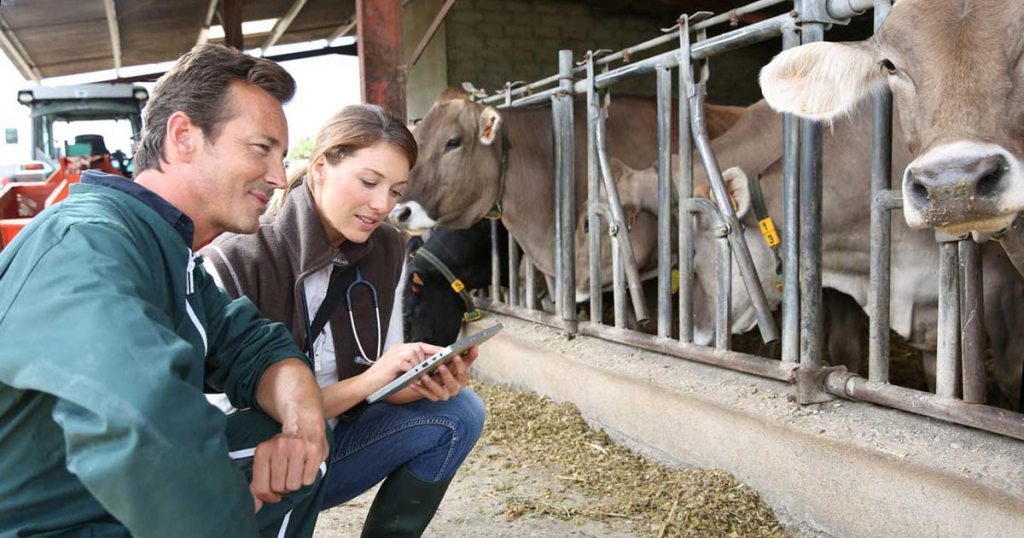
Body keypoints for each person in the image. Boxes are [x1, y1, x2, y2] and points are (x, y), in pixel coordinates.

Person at [0, 44, 329, 537]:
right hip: (49, 521)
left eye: (282, 157)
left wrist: (303, 428)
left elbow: (255, 346)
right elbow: (137, 416)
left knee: (289, 457)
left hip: (94, 500)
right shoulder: (87, 241)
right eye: (261, 149)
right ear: (183, 138)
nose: (280, 178)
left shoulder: (172, 255)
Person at [201, 104, 486, 537]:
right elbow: (234, 420)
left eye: (395, 191)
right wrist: (371, 382)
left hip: (333, 445)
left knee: (459, 411)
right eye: (369, 182)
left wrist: (407, 384)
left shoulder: (388, 248)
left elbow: (374, 368)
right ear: (320, 168)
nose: (381, 205)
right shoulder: (235, 260)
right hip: (252, 466)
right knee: (282, 432)